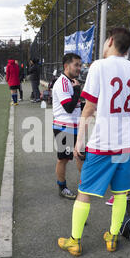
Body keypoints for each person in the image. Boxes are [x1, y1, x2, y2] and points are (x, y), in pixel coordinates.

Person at [58, 27, 130, 256]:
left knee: (85, 191)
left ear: (111, 41)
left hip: (102, 143)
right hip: (125, 143)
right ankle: (113, 236)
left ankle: (74, 240)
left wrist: (79, 141)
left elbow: (90, 108)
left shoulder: (99, 66)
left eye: (105, 41)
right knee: (121, 192)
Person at [52, 53, 83, 200]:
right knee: (63, 159)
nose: (79, 68)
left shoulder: (72, 81)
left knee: (81, 156)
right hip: (64, 128)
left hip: (76, 126)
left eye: (80, 65)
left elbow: (77, 105)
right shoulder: (62, 83)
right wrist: (77, 90)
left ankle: (86, 185)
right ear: (66, 66)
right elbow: (69, 107)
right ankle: (62, 187)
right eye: (76, 65)